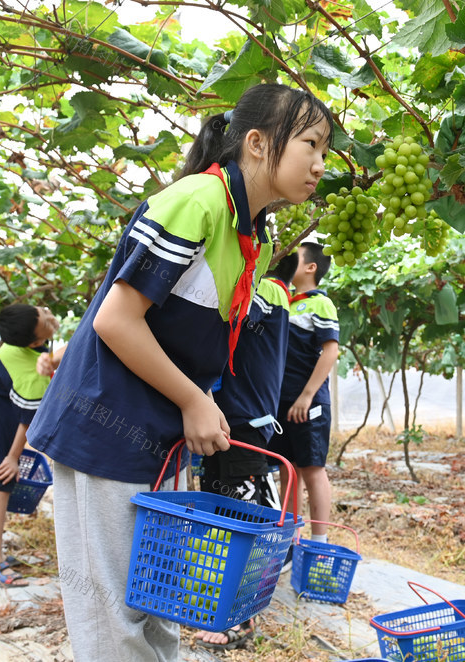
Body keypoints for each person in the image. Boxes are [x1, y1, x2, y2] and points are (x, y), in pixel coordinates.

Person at [26, 83, 331, 662]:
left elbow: (183, 337)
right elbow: (117, 321)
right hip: (105, 431)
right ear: (259, 143)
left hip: (157, 440)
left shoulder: (252, 236)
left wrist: (203, 405)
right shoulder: (197, 201)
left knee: (157, 609)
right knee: (115, 622)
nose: (320, 165)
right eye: (311, 144)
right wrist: (194, 401)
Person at [194, 249, 298, 651]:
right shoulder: (256, 287)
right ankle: (225, 606)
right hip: (222, 419)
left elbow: (225, 313)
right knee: (222, 512)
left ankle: (242, 618)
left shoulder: (269, 290)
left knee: (245, 518)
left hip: (245, 422)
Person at [0, 303, 58, 587]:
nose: (45, 310)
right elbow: (26, 421)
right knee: (1, 481)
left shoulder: (17, 341)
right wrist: (12, 457)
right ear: (35, 341)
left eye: (40, 309)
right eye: (43, 316)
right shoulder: (34, 374)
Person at [268, 241, 339, 547]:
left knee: (312, 469)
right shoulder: (287, 302)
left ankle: (319, 543)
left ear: (311, 267)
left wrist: (307, 396)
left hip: (308, 403)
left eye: (293, 257)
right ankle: (290, 540)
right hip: (283, 404)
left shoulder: (320, 303)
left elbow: (330, 351)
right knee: (289, 471)